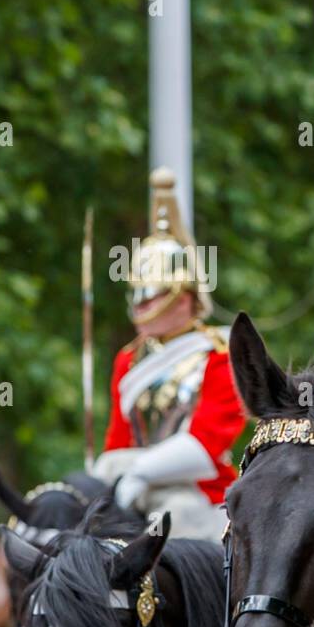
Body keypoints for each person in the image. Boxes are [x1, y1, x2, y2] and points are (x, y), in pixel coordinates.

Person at [92, 169, 245, 540]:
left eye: (154, 293)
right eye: (139, 293)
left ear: (186, 296)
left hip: (199, 491)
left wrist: (141, 472)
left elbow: (207, 445)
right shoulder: (129, 359)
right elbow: (117, 443)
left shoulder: (220, 354)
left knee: (180, 528)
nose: (144, 304)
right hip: (134, 484)